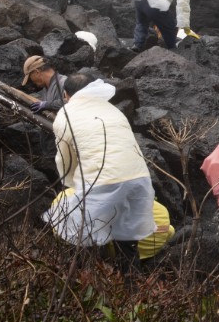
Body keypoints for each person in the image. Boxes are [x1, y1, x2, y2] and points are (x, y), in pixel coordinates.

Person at [42, 72, 156, 263]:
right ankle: (129, 284)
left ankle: (89, 280)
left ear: (66, 95)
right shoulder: (111, 109)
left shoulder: (65, 115)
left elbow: (65, 160)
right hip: (140, 180)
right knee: (126, 240)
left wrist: (72, 184)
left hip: (104, 181)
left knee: (75, 230)